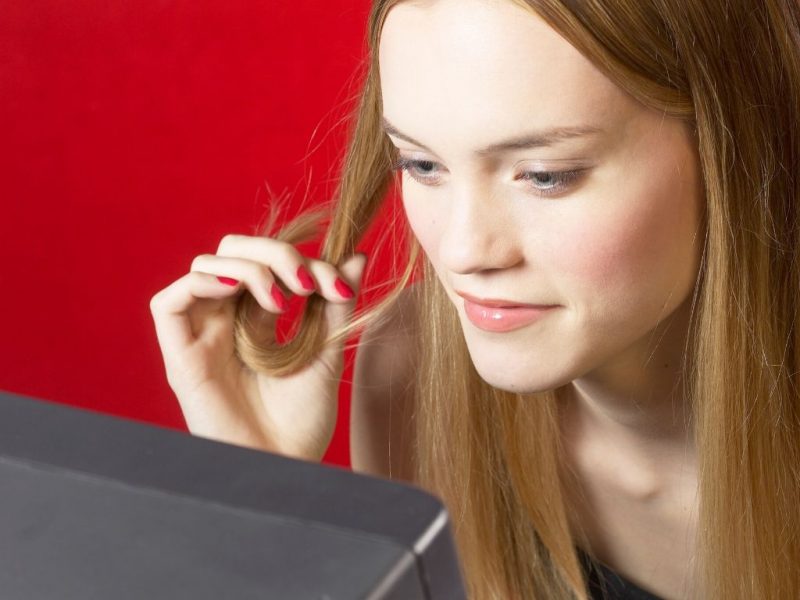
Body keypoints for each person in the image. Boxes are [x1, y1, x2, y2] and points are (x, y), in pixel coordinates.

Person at [149, 0, 800, 598]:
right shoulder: (413, 375)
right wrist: (267, 501)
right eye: (422, 166)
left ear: (734, 148)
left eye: (546, 176)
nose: (462, 252)